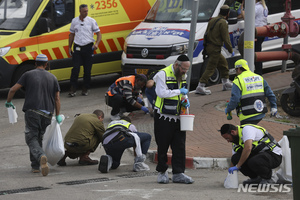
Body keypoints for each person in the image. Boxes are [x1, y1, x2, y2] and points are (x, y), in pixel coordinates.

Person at [5, 54, 61, 176]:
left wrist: (9, 102)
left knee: (31, 138)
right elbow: (57, 99)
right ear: (46, 65)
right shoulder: (53, 78)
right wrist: (57, 115)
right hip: (47, 114)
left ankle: (41, 156)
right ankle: (35, 166)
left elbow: (13, 90)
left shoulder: (28, 74)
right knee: (38, 138)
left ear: (35, 64)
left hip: (32, 111)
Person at [153, 54, 194, 184]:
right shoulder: (162, 75)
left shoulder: (182, 75)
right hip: (163, 117)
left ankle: (178, 173)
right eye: (183, 69)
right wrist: (179, 92)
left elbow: (184, 93)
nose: (185, 72)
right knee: (163, 145)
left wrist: (186, 103)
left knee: (179, 146)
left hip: (178, 116)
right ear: (177, 65)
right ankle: (162, 172)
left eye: (187, 70)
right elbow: (161, 93)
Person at [196, 5, 234, 95]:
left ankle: (226, 83)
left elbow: (206, 34)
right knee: (211, 67)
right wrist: (230, 50)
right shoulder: (223, 23)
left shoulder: (212, 20)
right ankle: (200, 86)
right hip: (215, 48)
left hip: (209, 47)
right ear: (228, 13)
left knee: (223, 64)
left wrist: (205, 47)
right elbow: (226, 38)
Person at [225, 59, 277, 125]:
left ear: (238, 69)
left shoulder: (238, 80)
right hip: (260, 113)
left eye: (236, 70)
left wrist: (228, 109)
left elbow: (235, 99)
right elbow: (270, 94)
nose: (236, 72)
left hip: (247, 115)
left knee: (245, 133)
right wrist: (274, 107)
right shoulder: (259, 78)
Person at [68, 4, 102, 97]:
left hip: (88, 47)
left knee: (87, 70)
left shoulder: (91, 21)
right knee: (75, 68)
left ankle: (85, 88)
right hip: (78, 47)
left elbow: (99, 34)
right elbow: (71, 35)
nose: (86, 12)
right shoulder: (74, 21)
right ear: (80, 11)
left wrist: (96, 44)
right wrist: (69, 47)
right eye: (84, 11)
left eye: (87, 11)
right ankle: (73, 87)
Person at [254, 0, 268, 75]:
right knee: (258, 50)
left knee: (256, 52)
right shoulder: (264, 7)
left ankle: (258, 72)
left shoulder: (256, 7)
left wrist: (242, 9)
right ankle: (258, 71)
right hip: (262, 31)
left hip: (256, 32)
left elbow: (248, 17)